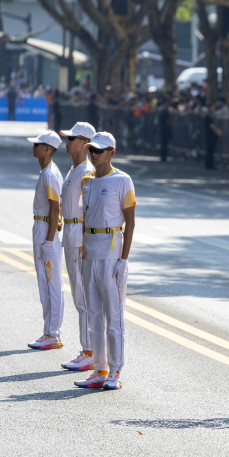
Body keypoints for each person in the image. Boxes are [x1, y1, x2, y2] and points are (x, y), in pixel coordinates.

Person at [74, 132, 136, 390]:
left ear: (111, 152)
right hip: (90, 252)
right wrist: (82, 249)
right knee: (94, 315)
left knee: (113, 315)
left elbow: (130, 221)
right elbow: (86, 217)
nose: (94, 154)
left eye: (99, 150)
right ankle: (100, 368)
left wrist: (124, 259)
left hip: (111, 252)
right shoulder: (86, 181)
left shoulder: (122, 180)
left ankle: (116, 370)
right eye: (91, 150)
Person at [59, 122, 96, 370]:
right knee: (78, 294)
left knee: (83, 295)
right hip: (70, 230)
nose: (67, 141)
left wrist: (84, 241)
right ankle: (88, 348)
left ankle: (89, 351)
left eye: (72, 138)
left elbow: (90, 210)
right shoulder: (74, 169)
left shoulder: (87, 172)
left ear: (85, 143)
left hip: (78, 232)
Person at [27, 131, 65, 350]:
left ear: (48, 149)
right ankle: (49, 331)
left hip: (46, 229)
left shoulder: (50, 174)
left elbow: (55, 208)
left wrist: (49, 241)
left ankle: (52, 333)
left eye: (38, 145)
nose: (34, 148)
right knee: (45, 281)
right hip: (41, 226)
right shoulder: (46, 172)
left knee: (51, 283)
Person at [204, 103, 222, 169]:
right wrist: (218, 132)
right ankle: (209, 164)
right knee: (210, 150)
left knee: (211, 150)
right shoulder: (208, 117)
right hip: (210, 135)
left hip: (211, 136)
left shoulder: (212, 116)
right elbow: (212, 126)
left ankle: (209, 164)